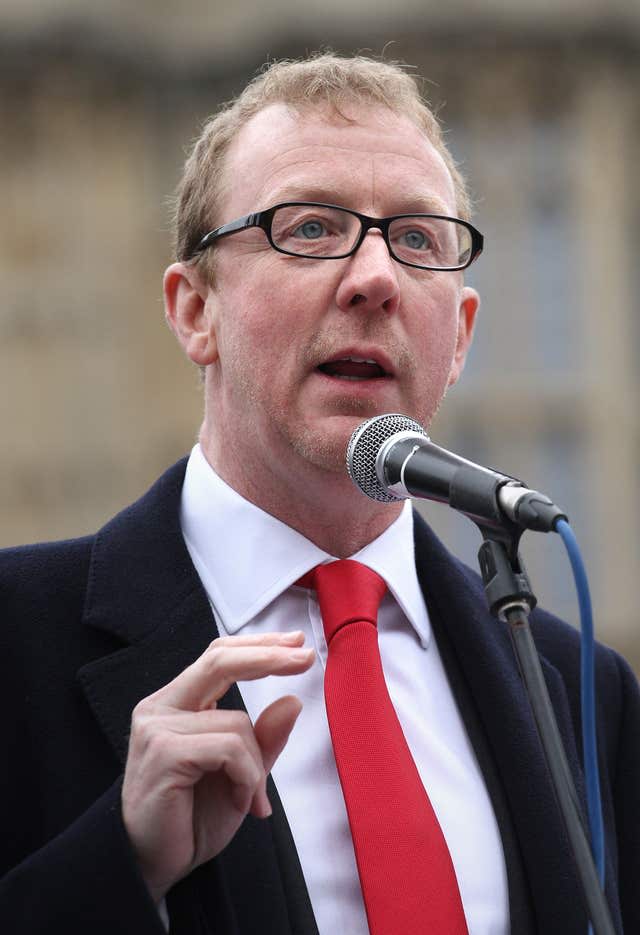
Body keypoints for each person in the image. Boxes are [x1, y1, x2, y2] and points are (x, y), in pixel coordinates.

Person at [1, 53, 638, 935]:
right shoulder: (15, 636)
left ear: (458, 336)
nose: (375, 276)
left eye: (417, 240)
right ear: (195, 311)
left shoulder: (580, 689)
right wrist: (122, 864)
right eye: (310, 228)